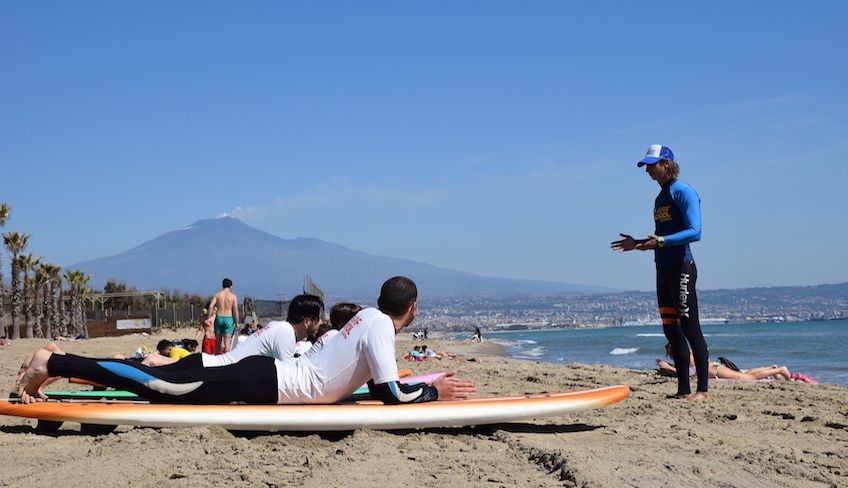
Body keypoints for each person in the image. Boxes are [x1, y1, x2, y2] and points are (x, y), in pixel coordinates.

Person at [15, 277, 476, 405]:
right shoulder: (377, 325)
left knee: (158, 379)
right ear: (413, 309)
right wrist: (435, 390)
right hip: (265, 381)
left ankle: (57, 362)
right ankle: (52, 364)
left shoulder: (370, 318)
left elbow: (380, 386)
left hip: (266, 378)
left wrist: (422, 387)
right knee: (156, 385)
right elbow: (390, 393)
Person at [611, 144, 710, 401]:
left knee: (690, 328)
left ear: (666, 164)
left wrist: (661, 242)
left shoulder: (684, 192)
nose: (647, 170)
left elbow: (694, 231)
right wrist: (639, 244)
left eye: (651, 165)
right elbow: (661, 238)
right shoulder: (660, 198)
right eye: (645, 166)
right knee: (671, 331)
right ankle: (683, 390)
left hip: (682, 268)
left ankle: (702, 391)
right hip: (662, 269)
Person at [656, 344, 791, 381]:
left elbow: (690, 373)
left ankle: (780, 370)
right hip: (715, 370)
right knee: (746, 373)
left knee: (750, 378)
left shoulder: (688, 356)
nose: (670, 356)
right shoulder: (687, 355)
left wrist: (669, 367)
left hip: (715, 371)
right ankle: (772, 368)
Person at [208, 278, 239, 354]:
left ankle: (217, 360)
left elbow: (210, 306)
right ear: (231, 286)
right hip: (228, 318)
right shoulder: (233, 296)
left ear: (222, 285)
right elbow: (235, 310)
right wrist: (237, 322)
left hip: (219, 317)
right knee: (227, 342)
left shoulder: (218, 295)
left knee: (218, 343)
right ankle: (227, 362)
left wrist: (208, 318)